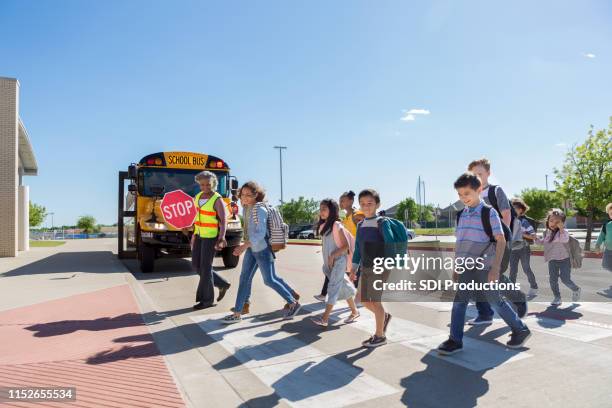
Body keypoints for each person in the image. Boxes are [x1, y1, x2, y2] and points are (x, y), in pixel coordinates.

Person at [437, 173, 531, 355]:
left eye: (467, 193)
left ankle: (520, 329)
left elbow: (501, 240)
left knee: (494, 301)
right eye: (460, 194)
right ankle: (455, 340)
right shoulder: (461, 215)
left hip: (485, 265)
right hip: (466, 266)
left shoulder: (488, 212)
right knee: (459, 303)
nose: (463, 198)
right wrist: (457, 266)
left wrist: (495, 269)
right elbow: (460, 242)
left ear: (479, 190)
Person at [222, 181, 301, 324]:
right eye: (242, 195)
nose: (244, 198)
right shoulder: (247, 207)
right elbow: (250, 231)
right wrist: (246, 245)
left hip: (263, 249)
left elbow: (260, 233)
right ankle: (238, 312)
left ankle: (293, 302)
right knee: (244, 279)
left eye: (248, 195)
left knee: (269, 279)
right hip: (252, 249)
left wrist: (243, 246)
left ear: (255, 195)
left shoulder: (259, 209)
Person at [467, 158, 527, 324]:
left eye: (480, 173)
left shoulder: (495, 191)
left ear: (488, 174)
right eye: (473, 174)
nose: (476, 177)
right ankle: (485, 313)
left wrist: (500, 240)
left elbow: (506, 215)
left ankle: (517, 298)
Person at [351, 189, 393, 348]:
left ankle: (380, 336)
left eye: (370, 203)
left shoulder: (382, 222)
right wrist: (354, 268)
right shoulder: (361, 224)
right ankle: (384, 317)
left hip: (380, 267)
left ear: (377, 204)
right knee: (362, 299)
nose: (366, 206)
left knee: (375, 301)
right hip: (366, 267)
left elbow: (390, 244)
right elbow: (358, 249)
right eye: (362, 204)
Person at [311, 199, 360, 327]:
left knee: (333, 287)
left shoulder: (337, 225)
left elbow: (345, 246)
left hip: (339, 261)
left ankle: (325, 318)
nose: (321, 211)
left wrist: (332, 256)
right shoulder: (324, 226)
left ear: (332, 211)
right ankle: (355, 311)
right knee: (342, 286)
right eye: (320, 209)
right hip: (330, 264)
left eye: (324, 209)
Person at [314, 191, 364, 301]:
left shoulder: (357, 215)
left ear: (351, 201)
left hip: (356, 250)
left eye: (343, 200)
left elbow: (366, 231)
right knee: (335, 272)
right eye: (340, 201)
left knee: (352, 274)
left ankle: (355, 296)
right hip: (347, 250)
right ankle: (328, 294)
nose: (340, 203)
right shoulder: (345, 216)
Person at [191, 171, 231, 310]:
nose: (205, 187)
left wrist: (222, 237)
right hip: (199, 235)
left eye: (208, 184)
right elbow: (196, 217)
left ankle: (207, 300)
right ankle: (222, 283)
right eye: (202, 184)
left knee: (206, 267)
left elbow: (223, 220)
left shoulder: (217, 199)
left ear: (213, 184)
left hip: (211, 237)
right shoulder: (197, 197)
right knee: (196, 266)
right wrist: (193, 234)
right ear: (199, 184)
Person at [536, 209, 581, 306]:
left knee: (565, 279)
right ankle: (557, 297)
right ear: (548, 221)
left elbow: (564, 240)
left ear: (562, 223)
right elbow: (543, 242)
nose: (553, 224)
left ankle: (576, 289)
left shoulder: (563, 232)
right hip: (552, 260)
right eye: (551, 221)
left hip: (564, 260)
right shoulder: (548, 232)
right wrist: (535, 239)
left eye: (557, 222)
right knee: (552, 280)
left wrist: (561, 229)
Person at [509, 198, 539, 297]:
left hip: (523, 248)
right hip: (513, 249)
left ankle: (534, 287)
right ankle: (511, 291)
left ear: (521, 210)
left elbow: (533, 236)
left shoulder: (524, 221)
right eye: (511, 208)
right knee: (513, 270)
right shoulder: (509, 221)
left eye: (515, 208)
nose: (513, 210)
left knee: (526, 268)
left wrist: (521, 234)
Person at [595, 202, 612, 272]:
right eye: (611, 213)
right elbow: (601, 236)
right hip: (608, 249)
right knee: (605, 265)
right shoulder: (607, 225)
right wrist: (597, 245)